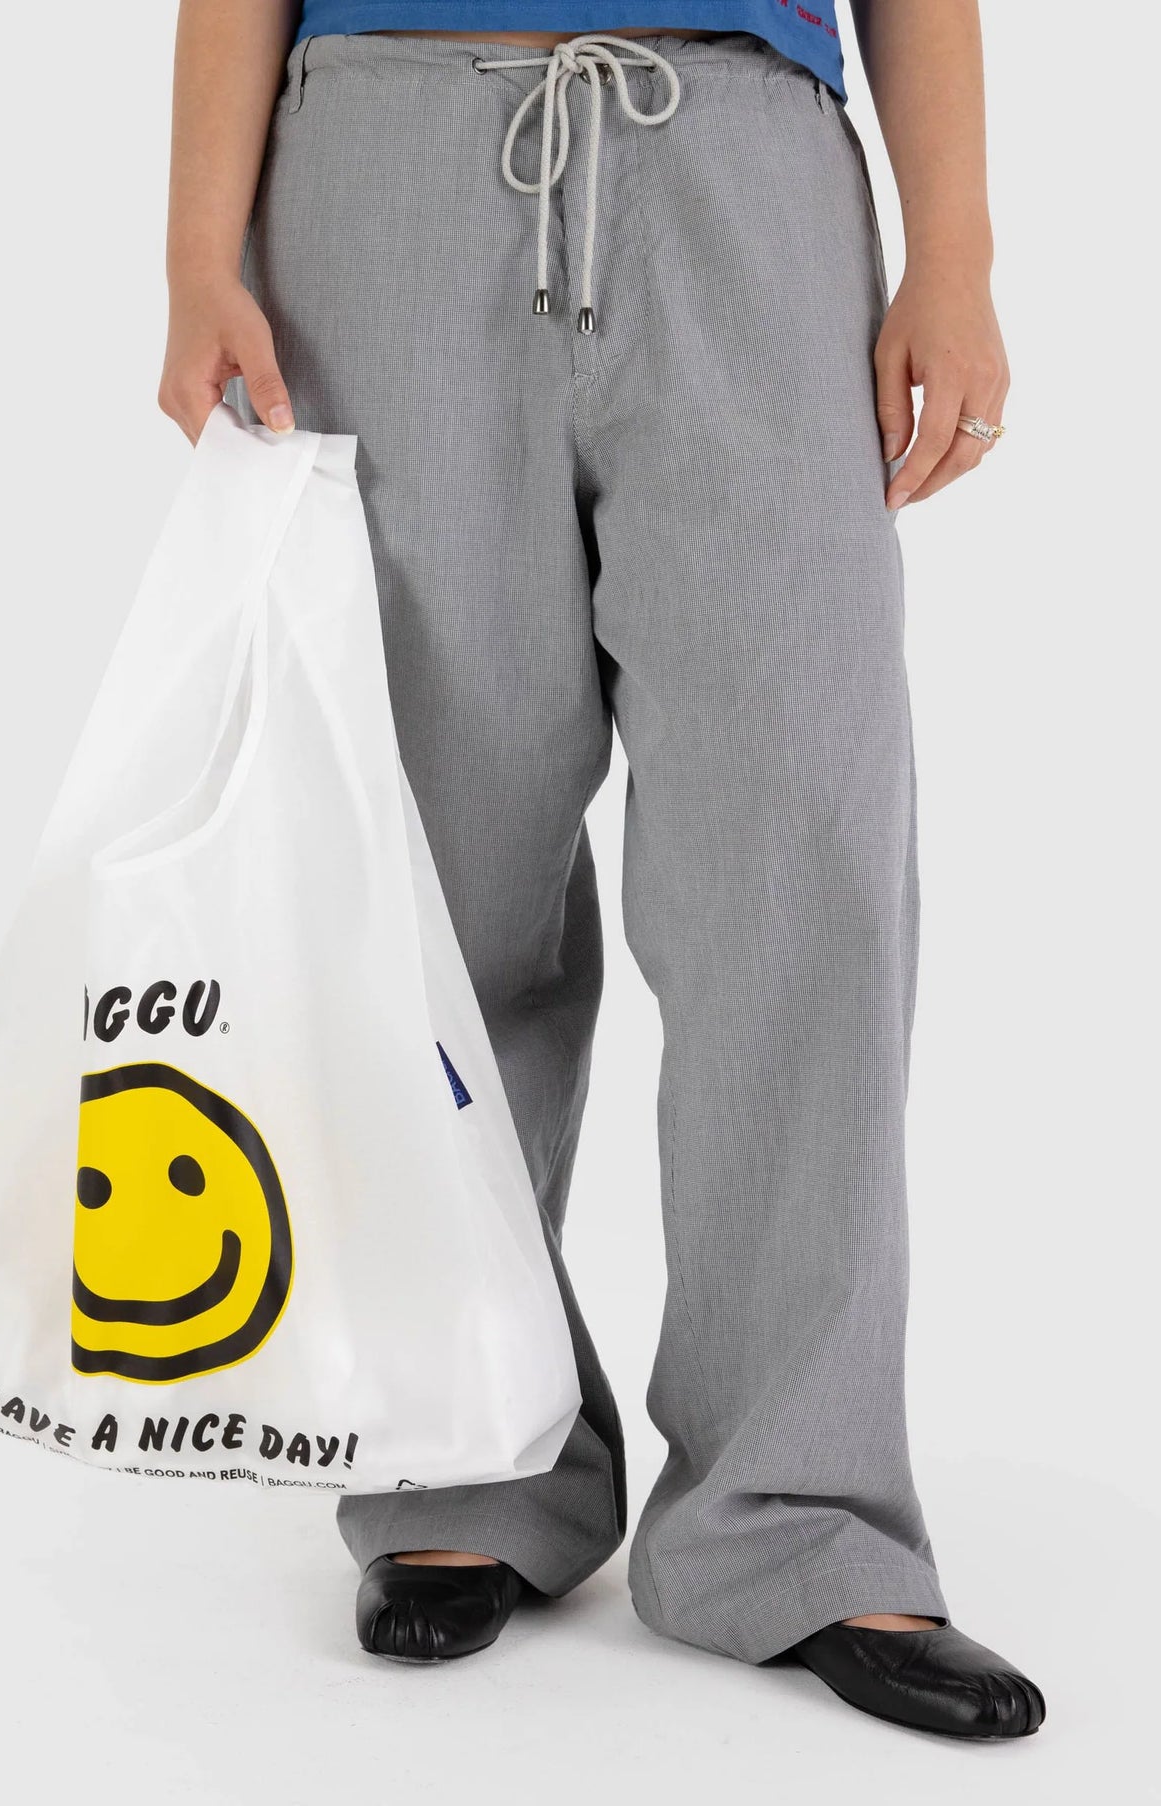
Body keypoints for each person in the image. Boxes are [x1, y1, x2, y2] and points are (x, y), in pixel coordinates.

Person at [158, 0, 1042, 1739]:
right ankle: (458, 1458)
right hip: (382, 169)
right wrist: (197, 253)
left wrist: (956, 253)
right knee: (434, 873)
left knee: (803, 875)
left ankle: (796, 1512)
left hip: (743, 162)